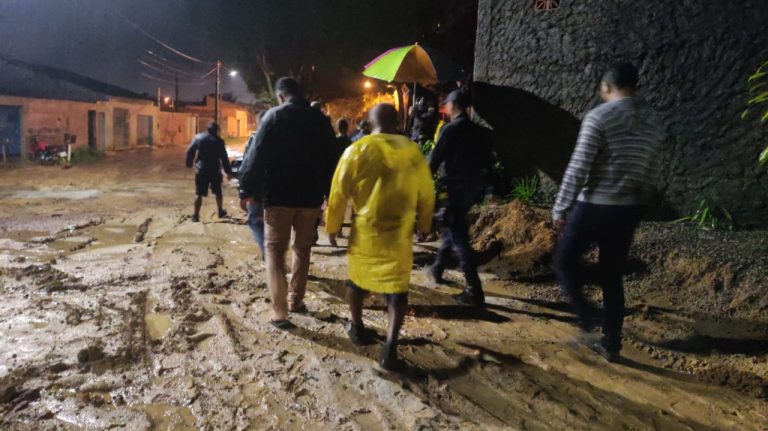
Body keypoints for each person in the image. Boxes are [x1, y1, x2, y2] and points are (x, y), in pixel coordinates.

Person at [553, 63, 664, 362]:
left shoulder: (599, 116)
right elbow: (652, 169)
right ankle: (611, 343)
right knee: (611, 275)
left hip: (596, 204)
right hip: (629, 208)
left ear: (606, 87)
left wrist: (561, 207)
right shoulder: (653, 122)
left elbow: (579, 167)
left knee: (564, 261)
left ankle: (588, 317)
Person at [326, 103, 435, 370]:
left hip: (366, 232)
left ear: (370, 122)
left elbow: (338, 190)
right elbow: (426, 190)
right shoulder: (411, 151)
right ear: (397, 121)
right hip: (399, 233)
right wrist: (425, 222)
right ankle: (390, 348)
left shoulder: (356, 150)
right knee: (397, 292)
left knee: (356, 281)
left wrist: (333, 225)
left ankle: (357, 326)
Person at [239, 77, 337, 329]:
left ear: (281, 96)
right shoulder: (320, 120)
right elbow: (332, 160)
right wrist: (329, 194)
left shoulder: (273, 117)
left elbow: (255, 154)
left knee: (274, 250)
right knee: (303, 250)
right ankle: (295, 300)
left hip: (279, 197)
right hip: (310, 199)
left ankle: (280, 312)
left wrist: (246, 189)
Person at [428, 89, 494, 307]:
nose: (444, 108)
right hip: (471, 190)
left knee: (459, 238)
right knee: (452, 227)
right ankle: (438, 267)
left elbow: (433, 161)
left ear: (452, 105)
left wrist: (423, 184)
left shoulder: (450, 130)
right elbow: (487, 164)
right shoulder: (480, 132)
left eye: (446, 104)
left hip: (453, 188)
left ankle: (474, 290)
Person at [185, 122, 233, 222]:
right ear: (216, 130)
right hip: (215, 169)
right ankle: (220, 211)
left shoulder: (198, 138)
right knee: (218, 191)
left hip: (201, 169)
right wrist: (228, 171)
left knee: (198, 193)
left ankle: (196, 216)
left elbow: (190, 150)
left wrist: (189, 162)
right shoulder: (219, 141)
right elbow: (224, 157)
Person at [241, 111, 268, 256]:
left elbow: (247, 166)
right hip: (277, 190)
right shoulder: (283, 138)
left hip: (258, 189)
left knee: (255, 221)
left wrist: (244, 192)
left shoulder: (255, 139)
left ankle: (268, 253)